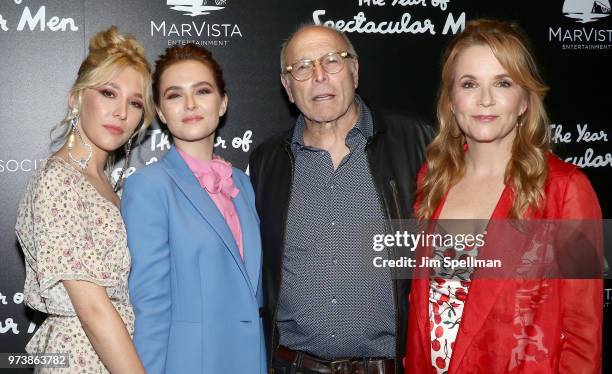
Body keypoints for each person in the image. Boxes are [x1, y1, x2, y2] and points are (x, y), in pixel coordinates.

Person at [405, 19, 602, 373]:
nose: (485, 100)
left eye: (503, 83)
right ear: (451, 100)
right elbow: (424, 313)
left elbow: (583, 337)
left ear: (524, 100)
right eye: (469, 84)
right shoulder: (433, 179)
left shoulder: (566, 189)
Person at [249, 24, 433, 373]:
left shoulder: (418, 142)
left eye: (332, 61)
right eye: (302, 67)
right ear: (288, 87)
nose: (319, 76)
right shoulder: (266, 163)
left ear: (355, 70)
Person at [15, 26, 154, 373]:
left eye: (135, 102)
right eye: (109, 93)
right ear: (76, 97)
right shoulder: (59, 181)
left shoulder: (106, 185)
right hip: (81, 360)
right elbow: (93, 309)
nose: (122, 112)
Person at [121, 43, 266, 374]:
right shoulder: (149, 187)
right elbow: (151, 306)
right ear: (160, 111)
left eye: (202, 91)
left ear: (223, 102)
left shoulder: (242, 184)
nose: (189, 104)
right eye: (174, 95)